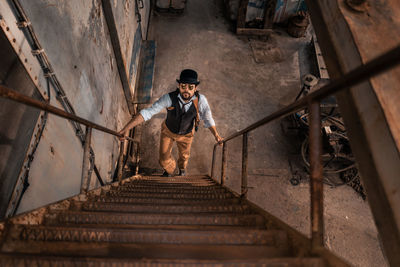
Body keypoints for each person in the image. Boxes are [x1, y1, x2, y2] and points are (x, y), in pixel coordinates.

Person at [119, 69, 223, 177]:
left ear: (195, 88)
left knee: (184, 156)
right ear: (179, 86)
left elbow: (208, 118)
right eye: (183, 86)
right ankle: (170, 169)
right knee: (163, 158)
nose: (186, 90)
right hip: (168, 131)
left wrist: (217, 135)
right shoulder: (168, 98)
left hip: (187, 134)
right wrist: (125, 129)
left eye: (190, 87)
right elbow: (147, 112)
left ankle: (182, 169)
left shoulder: (201, 101)